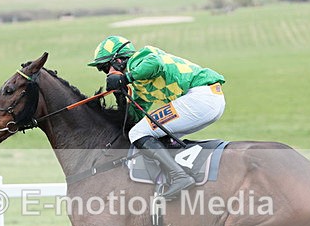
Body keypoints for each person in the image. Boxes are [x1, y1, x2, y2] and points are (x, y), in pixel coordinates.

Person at [88, 35, 226, 199]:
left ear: (118, 61)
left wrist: (125, 78)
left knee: (137, 133)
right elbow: (135, 117)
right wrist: (120, 96)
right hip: (208, 101)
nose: (106, 74)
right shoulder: (140, 87)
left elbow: (155, 63)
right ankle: (172, 176)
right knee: (152, 134)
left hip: (201, 97)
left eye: (105, 68)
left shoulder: (140, 58)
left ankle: (180, 176)